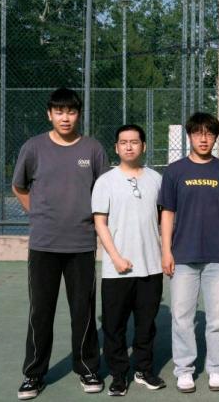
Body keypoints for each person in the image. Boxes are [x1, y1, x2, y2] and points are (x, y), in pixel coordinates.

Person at [12, 87, 109, 400]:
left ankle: (88, 368)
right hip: (44, 245)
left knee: (83, 311)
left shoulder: (93, 149)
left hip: (81, 245)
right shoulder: (33, 147)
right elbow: (19, 187)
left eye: (71, 111)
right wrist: (39, 215)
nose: (65, 118)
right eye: (59, 112)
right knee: (41, 312)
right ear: (49, 114)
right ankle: (34, 374)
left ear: (78, 114)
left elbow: (104, 193)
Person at [158, 112, 219, 393]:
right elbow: (167, 213)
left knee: (217, 318)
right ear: (189, 136)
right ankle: (184, 370)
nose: (203, 139)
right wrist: (166, 251)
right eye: (197, 133)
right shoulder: (175, 171)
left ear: (216, 137)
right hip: (183, 256)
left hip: (218, 256)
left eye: (209, 133)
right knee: (182, 317)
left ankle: (216, 368)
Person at [92, 124, 165, 397]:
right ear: (116, 147)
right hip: (117, 270)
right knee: (114, 326)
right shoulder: (105, 181)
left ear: (143, 146)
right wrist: (116, 257)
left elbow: (166, 220)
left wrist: (165, 252)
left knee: (146, 325)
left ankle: (143, 370)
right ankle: (119, 375)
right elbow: (100, 223)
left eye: (134, 142)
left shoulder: (157, 179)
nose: (129, 146)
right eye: (123, 142)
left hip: (151, 267)